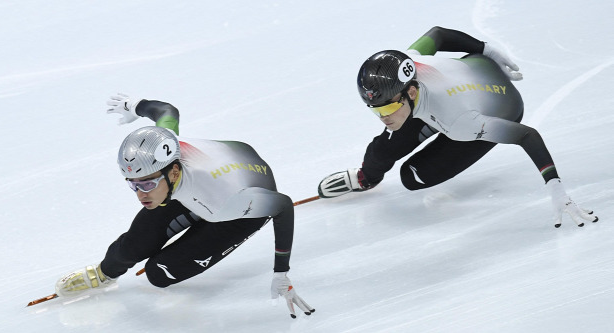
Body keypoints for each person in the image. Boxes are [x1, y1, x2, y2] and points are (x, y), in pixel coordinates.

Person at [55, 94, 314, 318]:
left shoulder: (223, 200)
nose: (139, 194)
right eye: (133, 184)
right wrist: (135, 105)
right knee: (133, 246)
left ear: (174, 172)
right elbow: (167, 111)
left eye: (146, 185)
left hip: (238, 205)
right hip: (208, 181)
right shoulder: (166, 148)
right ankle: (104, 274)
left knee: (159, 274)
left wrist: (281, 272)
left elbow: (282, 205)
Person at [318, 26, 598, 228]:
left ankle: (430, 128)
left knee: (413, 177)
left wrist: (555, 187)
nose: (382, 116)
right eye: (375, 109)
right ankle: (368, 175)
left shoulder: (461, 123)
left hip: (499, 108)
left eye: (388, 107)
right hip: (468, 76)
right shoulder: (409, 64)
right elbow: (438, 33)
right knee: (382, 150)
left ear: (411, 93)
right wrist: (485, 50)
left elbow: (527, 135)